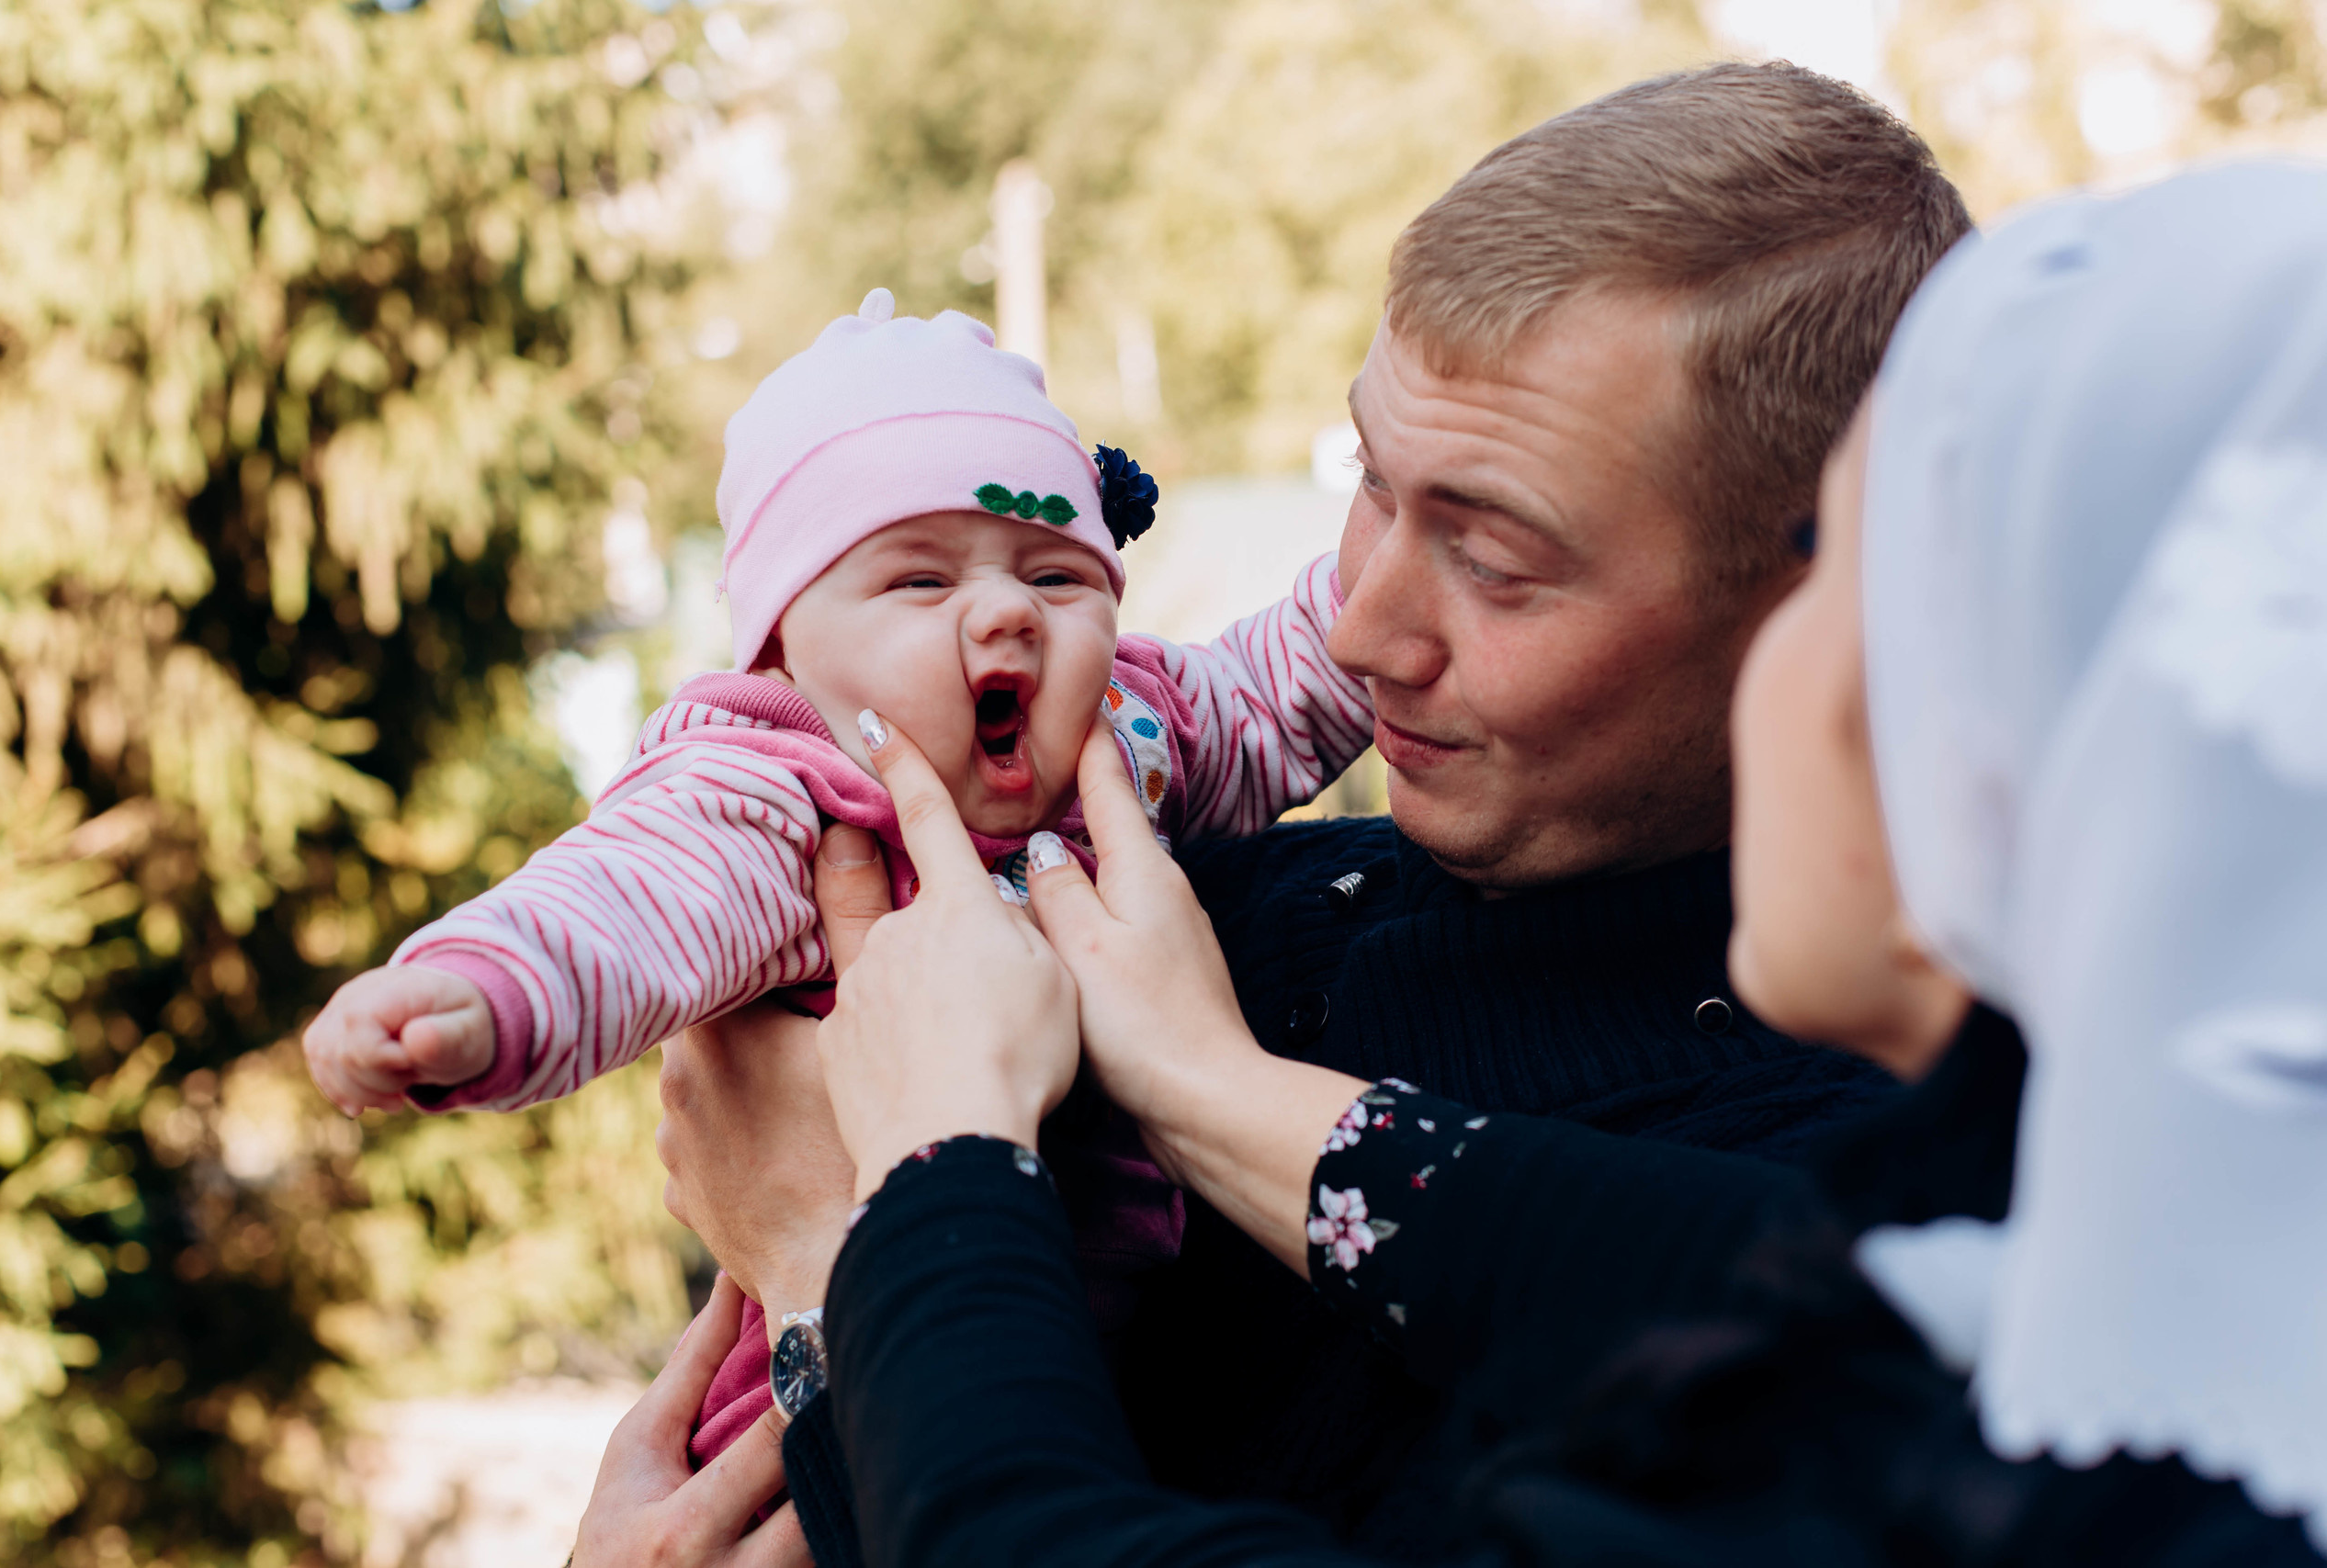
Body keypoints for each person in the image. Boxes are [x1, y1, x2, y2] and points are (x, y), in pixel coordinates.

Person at [574, 157, 2327, 1566]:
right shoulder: (1227, 898)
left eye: (1495, 558)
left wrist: (860, 1240)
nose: (1362, 622)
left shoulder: (1934, 1236)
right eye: (1368, 481)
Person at [300, 288, 1374, 1462]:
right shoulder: (783, 794)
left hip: (1121, 1378)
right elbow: (629, 904)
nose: (1008, 610)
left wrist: (1405, 561)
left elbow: (1286, 679)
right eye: (921, 582)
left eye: (1059, 578)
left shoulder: (1137, 733)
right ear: (781, 645)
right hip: (841, 1376)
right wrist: (481, 995)